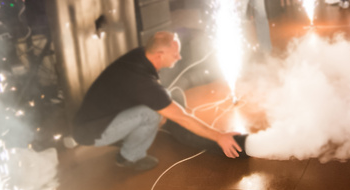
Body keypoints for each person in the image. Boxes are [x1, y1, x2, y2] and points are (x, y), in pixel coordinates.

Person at [71, 32, 243, 171]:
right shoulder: (143, 83)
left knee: (162, 101)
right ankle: (129, 157)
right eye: (175, 54)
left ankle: (125, 138)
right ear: (159, 55)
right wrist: (219, 136)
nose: (179, 57)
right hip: (91, 131)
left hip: (93, 119)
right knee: (153, 113)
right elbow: (181, 117)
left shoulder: (140, 55)